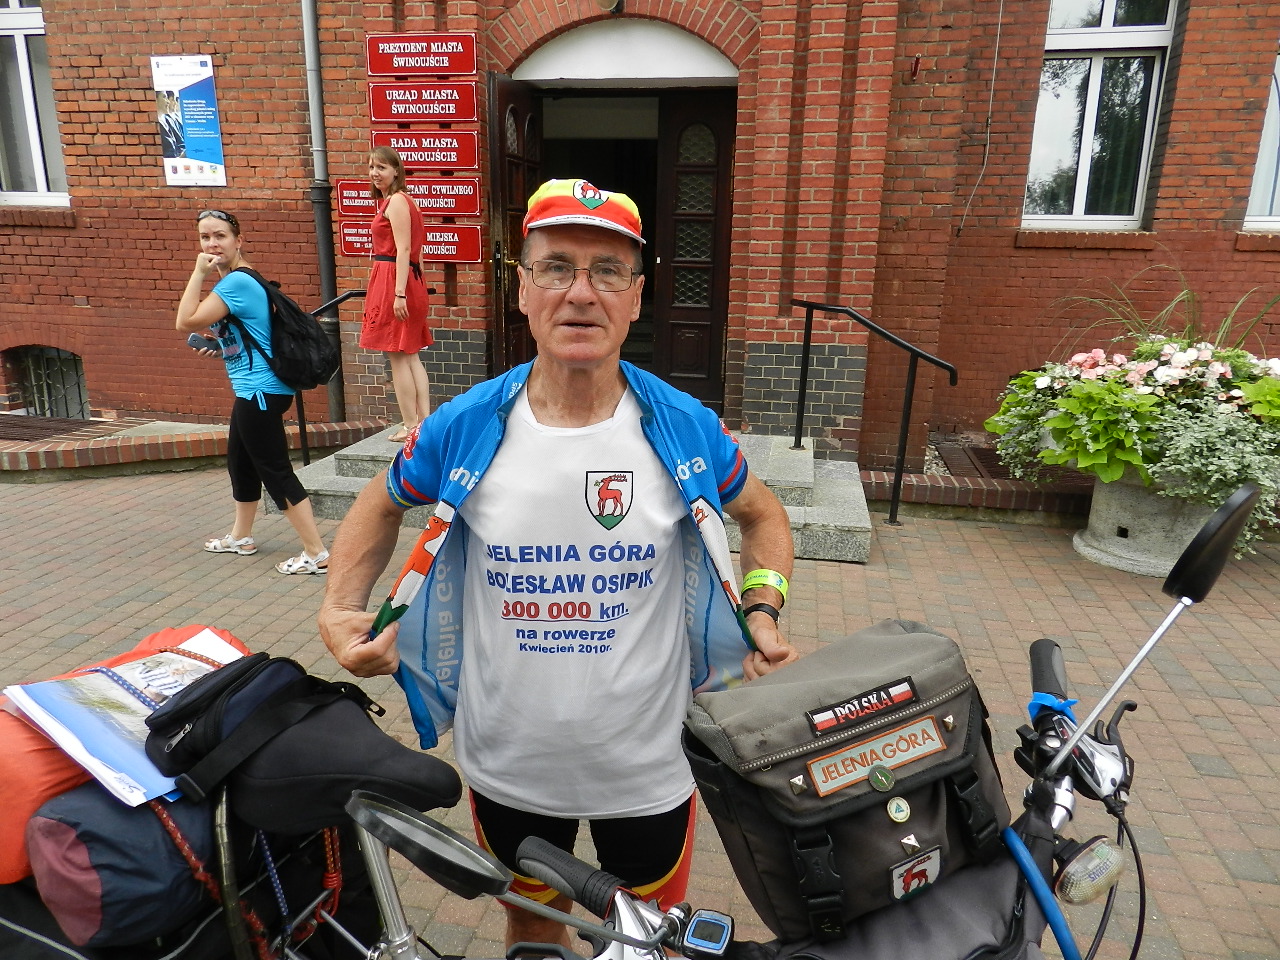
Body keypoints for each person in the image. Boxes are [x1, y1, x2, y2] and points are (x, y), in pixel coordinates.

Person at [319, 178, 797, 949]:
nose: (581, 292)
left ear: (636, 296)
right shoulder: (467, 424)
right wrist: (341, 607)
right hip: (509, 764)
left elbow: (764, 516)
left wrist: (763, 607)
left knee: (645, 942)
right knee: (533, 929)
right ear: (521, 289)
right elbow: (380, 500)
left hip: (647, 768)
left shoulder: (684, 426)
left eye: (608, 270)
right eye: (555, 267)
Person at [175, 208, 331, 575]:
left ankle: (317, 553)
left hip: (260, 391)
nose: (212, 244)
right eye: (205, 237)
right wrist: (221, 348)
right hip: (254, 389)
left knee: (275, 471)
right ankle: (241, 536)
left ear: (238, 241)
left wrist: (198, 273)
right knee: (241, 462)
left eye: (220, 236)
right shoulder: (241, 280)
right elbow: (253, 335)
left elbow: (184, 320)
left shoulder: (236, 283)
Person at [361, 146, 433, 443]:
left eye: (381, 167)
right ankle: (423, 422)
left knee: (398, 356)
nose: (375, 173)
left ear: (396, 171)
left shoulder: (397, 202)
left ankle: (411, 424)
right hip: (403, 279)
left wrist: (400, 293)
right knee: (410, 355)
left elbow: (404, 249)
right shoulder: (403, 201)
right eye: (371, 167)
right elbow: (416, 251)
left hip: (394, 280)